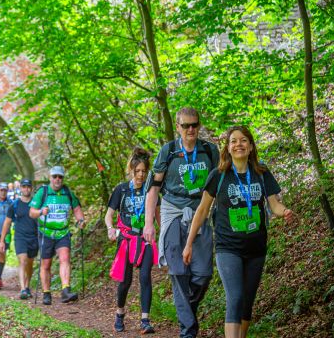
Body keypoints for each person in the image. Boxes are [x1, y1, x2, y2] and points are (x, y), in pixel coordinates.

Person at [183, 126, 294, 338]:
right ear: (228, 148)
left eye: (243, 140)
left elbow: (274, 205)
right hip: (228, 248)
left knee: (246, 303)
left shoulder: (261, 173)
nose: (239, 144)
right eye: (233, 141)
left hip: (256, 249)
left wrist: (285, 211)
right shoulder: (219, 175)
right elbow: (202, 210)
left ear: (251, 146)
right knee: (235, 297)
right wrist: (189, 244)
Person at [143, 107, 219, 338]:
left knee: (203, 274)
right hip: (173, 210)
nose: (191, 129)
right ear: (178, 127)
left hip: (201, 210)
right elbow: (153, 189)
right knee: (178, 271)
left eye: (194, 124)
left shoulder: (209, 150)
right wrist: (149, 224)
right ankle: (188, 330)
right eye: (185, 125)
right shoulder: (168, 151)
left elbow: (220, 180)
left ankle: (187, 310)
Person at [106, 147, 159, 334]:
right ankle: (120, 313)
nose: (141, 175)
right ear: (131, 170)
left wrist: (163, 236)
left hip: (145, 239)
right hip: (126, 240)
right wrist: (111, 228)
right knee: (125, 281)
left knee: (145, 277)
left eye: (144, 171)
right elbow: (109, 214)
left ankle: (145, 320)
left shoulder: (151, 191)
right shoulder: (121, 189)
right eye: (137, 171)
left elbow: (158, 215)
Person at [29, 165, 85, 305]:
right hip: (46, 232)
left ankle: (66, 290)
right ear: (50, 178)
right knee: (46, 264)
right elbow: (32, 212)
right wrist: (41, 212)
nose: (57, 179)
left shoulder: (67, 192)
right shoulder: (43, 192)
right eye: (55, 177)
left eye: (60, 177)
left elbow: (76, 208)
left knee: (65, 258)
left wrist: (81, 220)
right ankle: (46, 293)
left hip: (63, 232)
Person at [0, 178, 38, 299]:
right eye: (24, 186)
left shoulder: (36, 204)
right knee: (23, 261)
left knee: (30, 264)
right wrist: (2, 240)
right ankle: (22, 289)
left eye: (28, 187)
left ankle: (27, 286)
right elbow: (7, 223)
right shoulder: (14, 205)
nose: (26, 189)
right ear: (20, 188)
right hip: (20, 237)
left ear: (31, 189)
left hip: (34, 237)